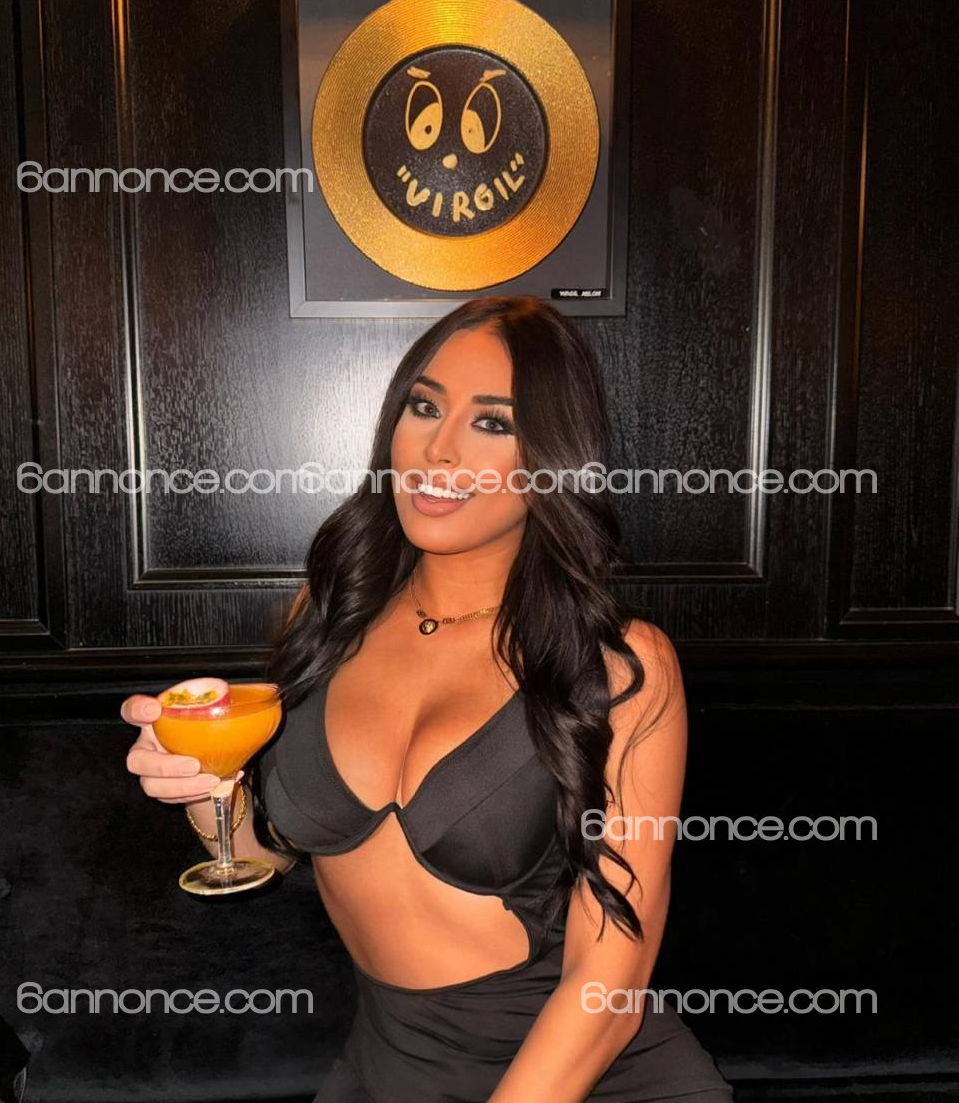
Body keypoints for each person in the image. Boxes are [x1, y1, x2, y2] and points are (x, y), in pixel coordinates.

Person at [122, 296, 733, 1102]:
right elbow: (270, 852)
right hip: (389, 1065)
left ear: (553, 456)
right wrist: (207, 788)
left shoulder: (620, 666)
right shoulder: (328, 613)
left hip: (579, 1074)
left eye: (492, 422)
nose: (438, 450)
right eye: (425, 407)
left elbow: (610, 977)